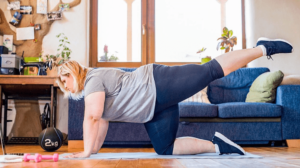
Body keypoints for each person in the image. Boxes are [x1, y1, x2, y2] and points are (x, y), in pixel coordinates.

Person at [58, 37, 293, 158]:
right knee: (166, 149)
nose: (66, 88)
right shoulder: (93, 87)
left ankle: (262, 48)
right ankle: (217, 147)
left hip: (158, 84)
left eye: (64, 82)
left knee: (210, 71)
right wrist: (94, 150)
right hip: (153, 110)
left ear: (69, 73)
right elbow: (102, 121)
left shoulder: (92, 80)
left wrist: (86, 151)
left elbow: (92, 117)